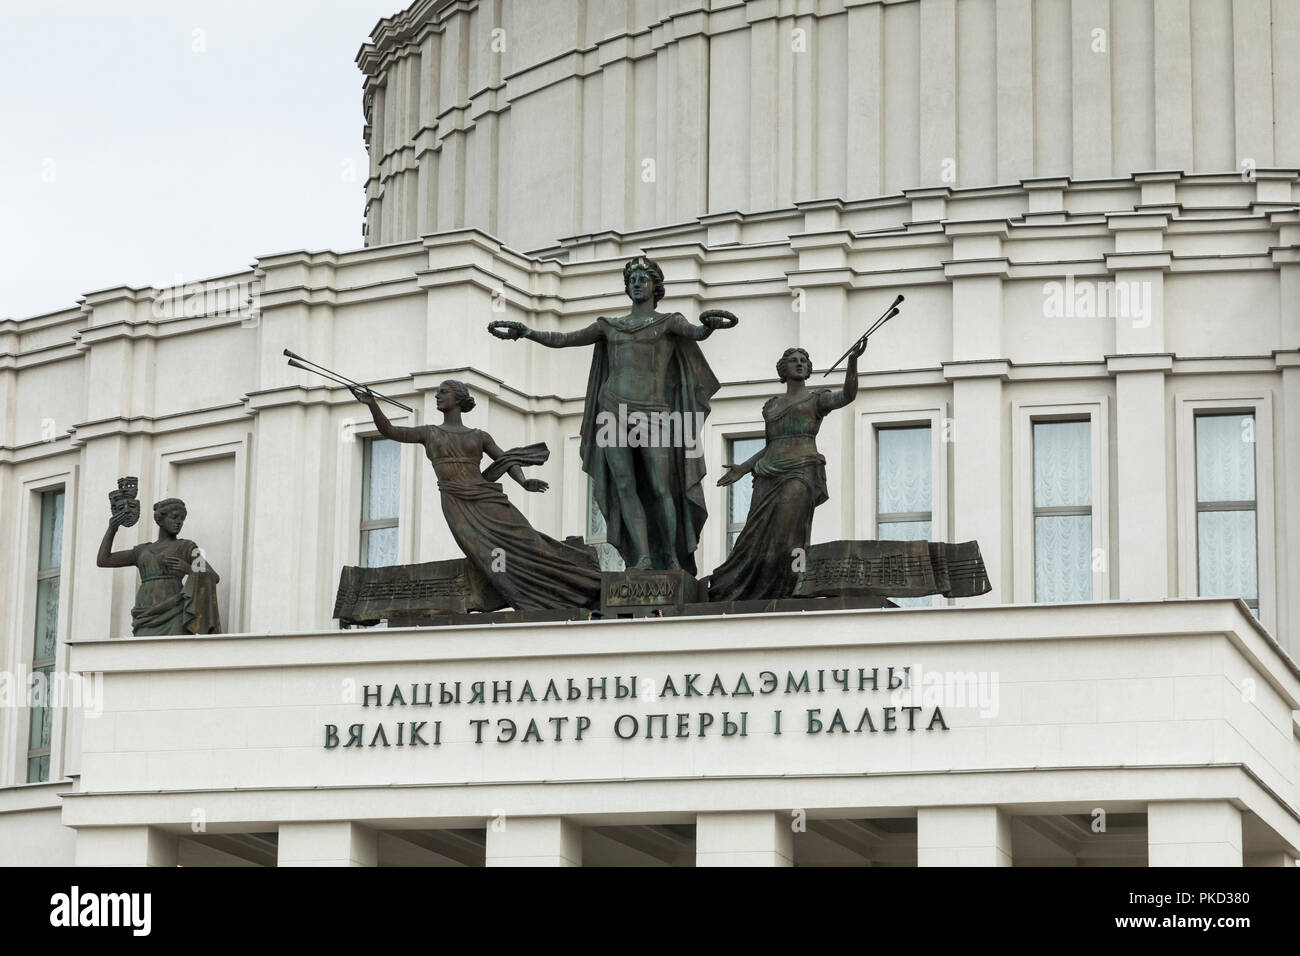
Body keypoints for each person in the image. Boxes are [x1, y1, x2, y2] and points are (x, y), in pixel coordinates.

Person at [489, 257, 736, 573]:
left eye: (643, 278)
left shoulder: (668, 322)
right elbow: (565, 339)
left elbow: (696, 332)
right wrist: (527, 332)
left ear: (656, 287)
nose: (637, 283)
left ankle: (673, 559)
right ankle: (643, 558)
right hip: (612, 412)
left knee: (662, 487)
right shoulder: (609, 326)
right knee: (624, 485)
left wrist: (709, 326)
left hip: (654, 414)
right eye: (632, 279)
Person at [351, 379, 603, 610]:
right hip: (457, 502)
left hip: (488, 498)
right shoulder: (429, 433)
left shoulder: (479, 435)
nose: (437, 396)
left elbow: (504, 459)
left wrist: (524, 482)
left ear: (458, 398)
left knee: (528, 541)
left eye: (443, 392)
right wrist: (373, 405)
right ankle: (530, 595)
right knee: (487, 554)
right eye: (437, 392)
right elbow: (391, 431)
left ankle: (583, 578)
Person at [707, 340, 866, 602]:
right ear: (783, 369)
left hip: (801, 472)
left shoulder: (817, 399)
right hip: (767, 474)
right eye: (794, 360)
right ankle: (747, 589)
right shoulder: (772, 406)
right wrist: (744, 468)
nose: (800, 363)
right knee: (754, 536)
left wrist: (852, 362)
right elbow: (771, 446)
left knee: (788, 534)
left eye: (804, 360)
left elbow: (847, 395)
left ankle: (792, 585)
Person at [97, 497, 222, 635]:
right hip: (145, 612)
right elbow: (104, 560)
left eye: (182, 519)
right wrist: (112, 529)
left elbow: (213, 576)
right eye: (174, 517)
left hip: (174, 610)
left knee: (174, 651)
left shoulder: (187, 547)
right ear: (160, 520)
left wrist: (188, 569)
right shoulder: (141, 551)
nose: (179, 522)